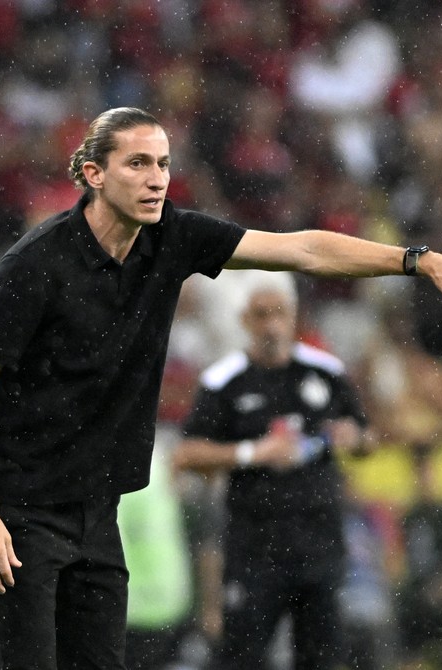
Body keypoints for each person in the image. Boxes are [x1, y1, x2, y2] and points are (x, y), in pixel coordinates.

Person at [0, 106, 442, 670]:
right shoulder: (37, 265)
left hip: (98, 511)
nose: (157, 179)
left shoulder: (170, 237)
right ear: (93, 174)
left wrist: (416, 259)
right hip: (22, 513)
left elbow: (302, 249)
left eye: (163, 164)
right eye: (138, 163)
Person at [171, 270, 371, 669]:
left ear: (294, 315)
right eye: (261, 314)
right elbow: (187, 453)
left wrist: (355, 437)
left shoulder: (325, 372)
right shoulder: (224, 382)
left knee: (324, 659)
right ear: (244, 320)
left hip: (319, 546)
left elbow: (366, 436)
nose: (272, 324)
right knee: (241, 658)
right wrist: (252, 453)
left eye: (279, 312)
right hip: (255, 550)